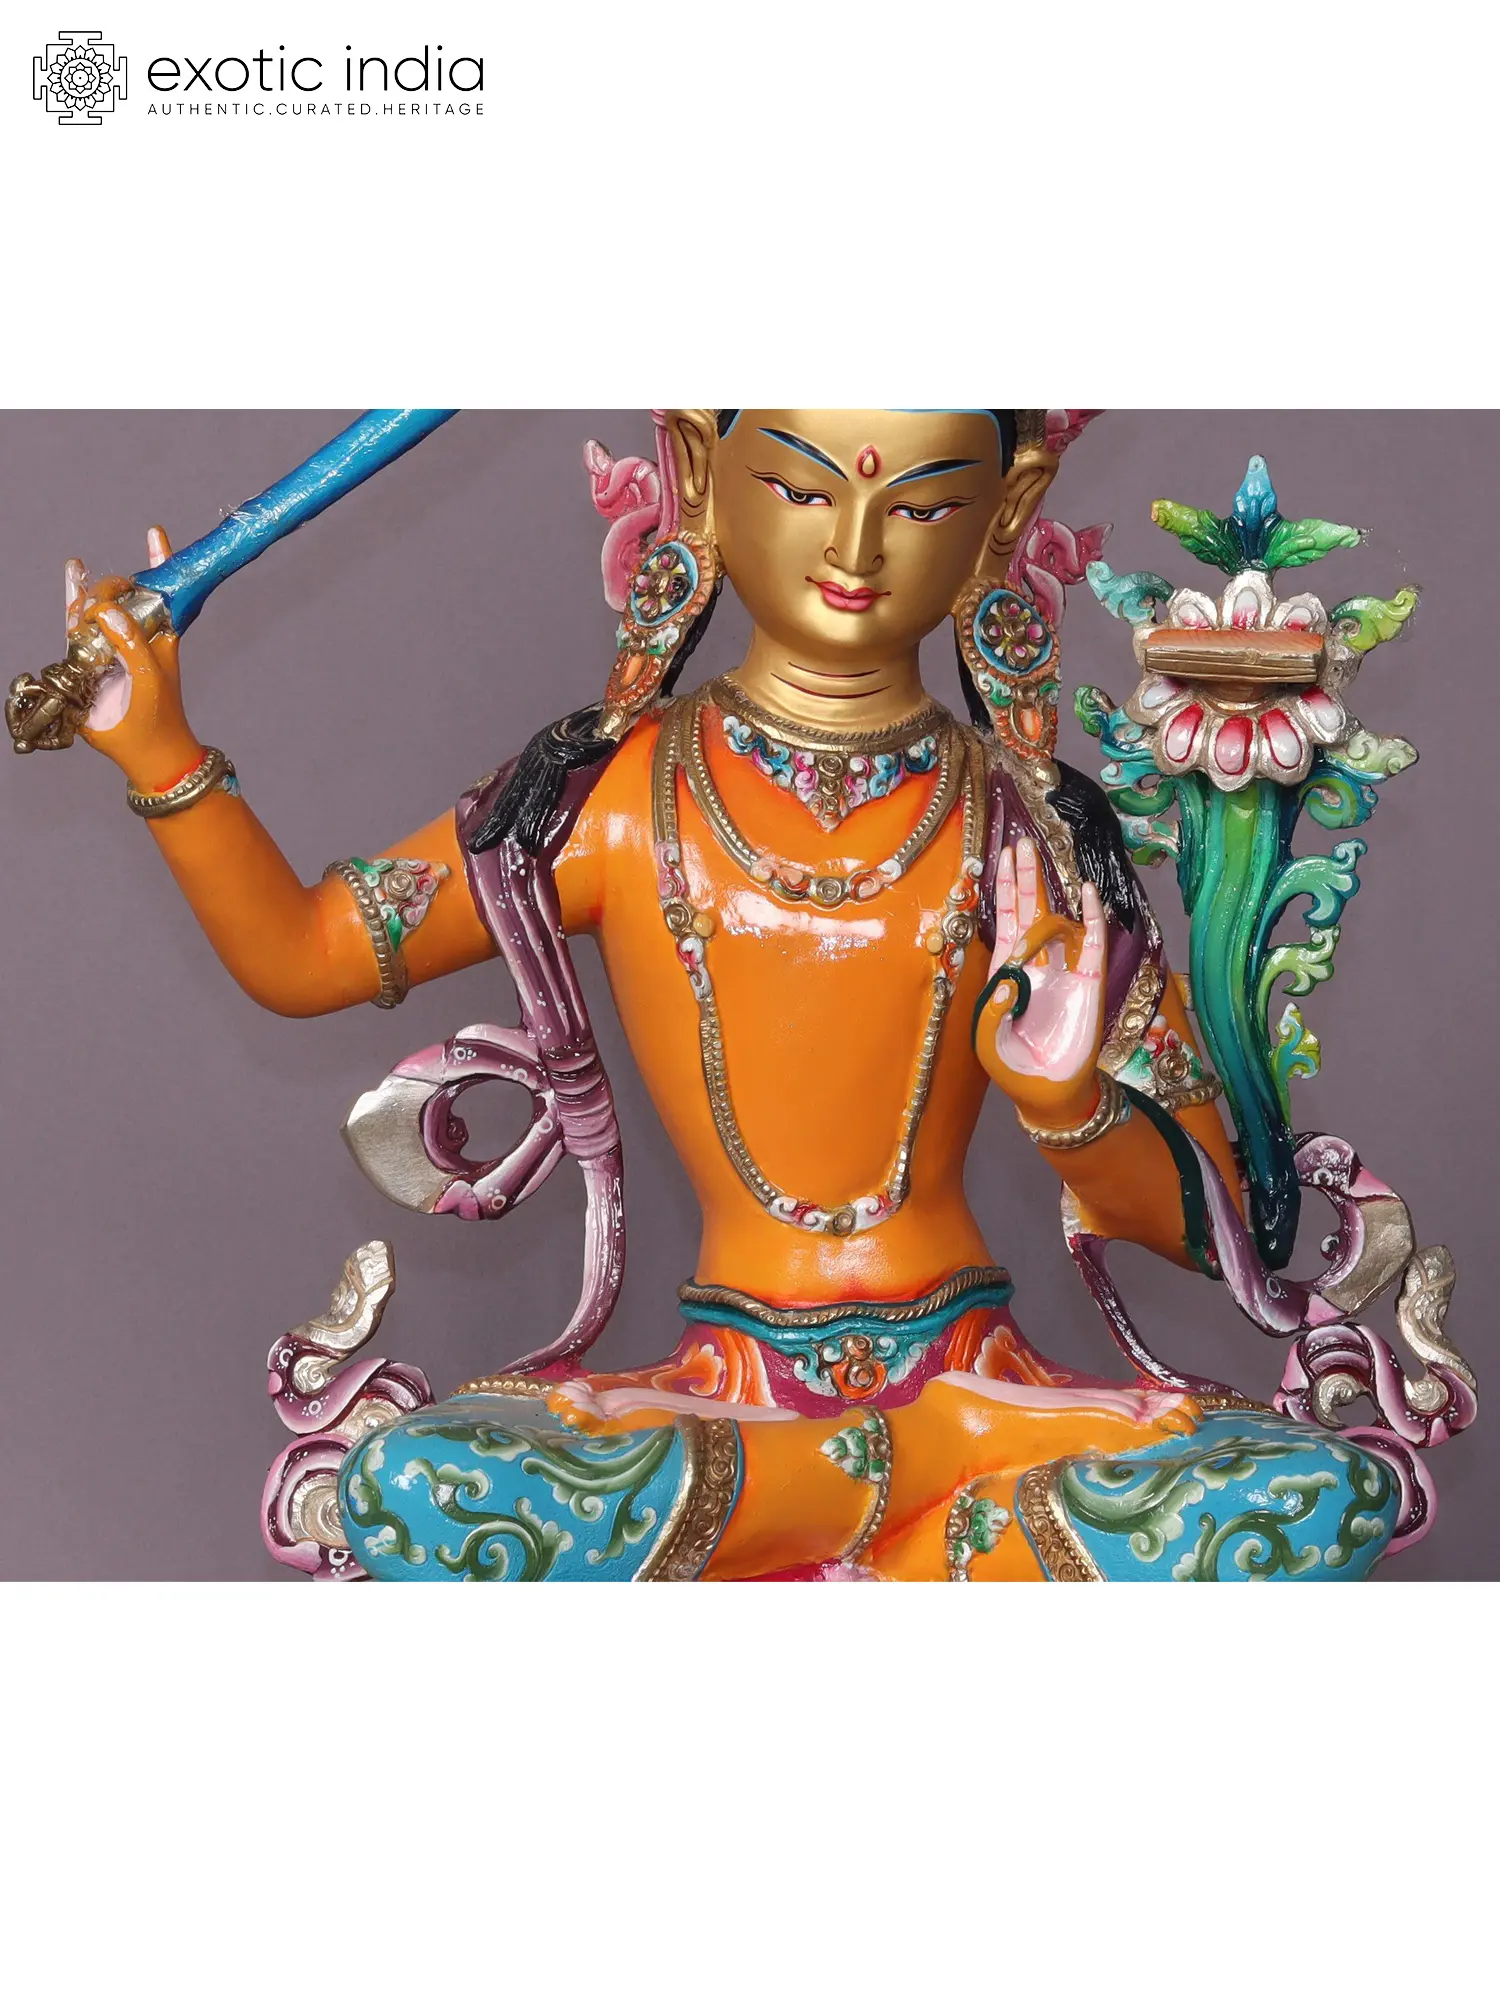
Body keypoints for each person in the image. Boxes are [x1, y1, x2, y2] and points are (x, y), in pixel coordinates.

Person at [59, 408, 1403, 1580]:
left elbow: (1210, 1224)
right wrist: (159, 750)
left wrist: (1064, 1104)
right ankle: (918, 1511)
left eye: (922, 504)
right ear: (700, 477)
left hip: (980, 1384)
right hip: (730, 1400)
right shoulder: (612, 800)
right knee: (426, 1485)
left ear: (1006, 513)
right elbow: (306, 953)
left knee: (1310, 1494)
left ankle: (874, 1503)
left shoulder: (1029, 832)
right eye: (804, 488)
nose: (857, 546)